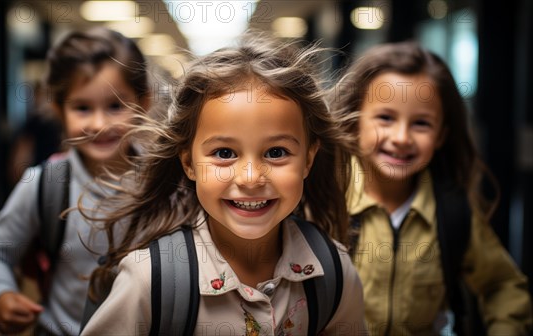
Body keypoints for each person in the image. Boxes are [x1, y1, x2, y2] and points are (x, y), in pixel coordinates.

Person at [81, 32, 366, 335]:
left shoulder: (334, 272)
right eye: (225, 153)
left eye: (276, 153)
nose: (250, 178)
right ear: (189, 162)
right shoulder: (151, 279)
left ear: (308, 159)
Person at [330, 41, 533, 335]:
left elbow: (502, 285)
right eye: (385, 118)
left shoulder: (452, 211)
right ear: (355, 121)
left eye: (421, 123)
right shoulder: (325, 200)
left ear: (441, 136)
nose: (401, 137)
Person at [0, 27, 151, 335]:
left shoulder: (168, 184)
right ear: (59, 109)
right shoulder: (44, 185)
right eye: (82, 107)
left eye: (115, 106)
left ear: (143, 103)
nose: (98, 123)